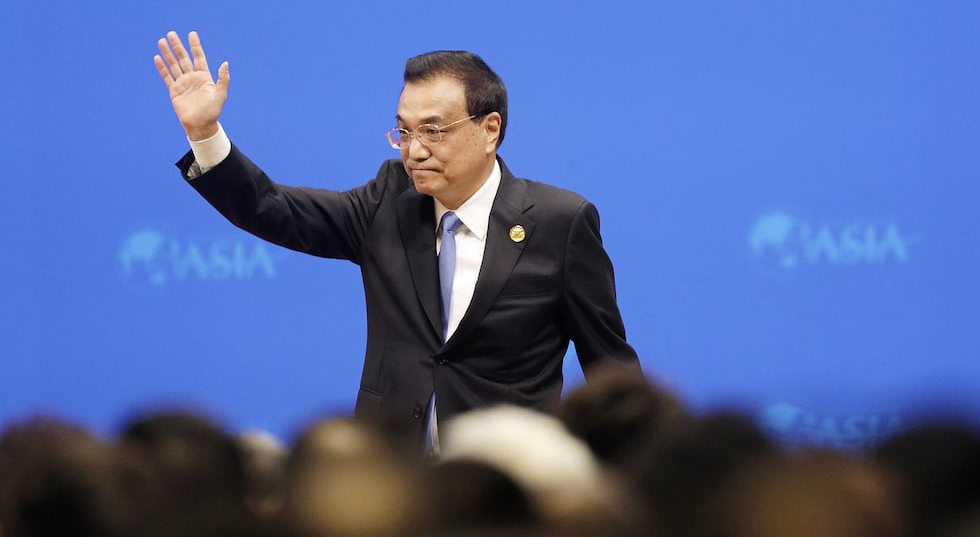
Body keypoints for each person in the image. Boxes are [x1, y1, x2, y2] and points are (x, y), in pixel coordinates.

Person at [153, 30, 640, 450]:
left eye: (433, 130)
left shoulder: (559, 222)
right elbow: (273, 209)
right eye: (403, 132)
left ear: (490, 129)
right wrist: (206, 132)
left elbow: (610, 367)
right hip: (391, 480)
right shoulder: (387, 201)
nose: (415, 150)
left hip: (501, 486)